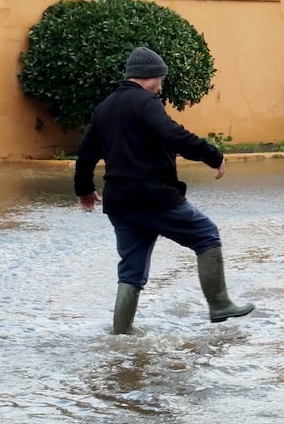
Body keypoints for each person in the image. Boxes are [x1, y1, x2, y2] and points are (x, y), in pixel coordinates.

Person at [74, 46, 254, 334]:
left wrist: (84, 189)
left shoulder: (105, 107)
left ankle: (121, 334)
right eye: (161, 80)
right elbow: (174, 134)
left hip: (120, 203)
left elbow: (85, 154)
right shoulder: (146, 103)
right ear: (152, 77)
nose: (160, 86)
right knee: (206, 235)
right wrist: (213, 155)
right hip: (154, 197)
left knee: (131, 270)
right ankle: (219, 305)